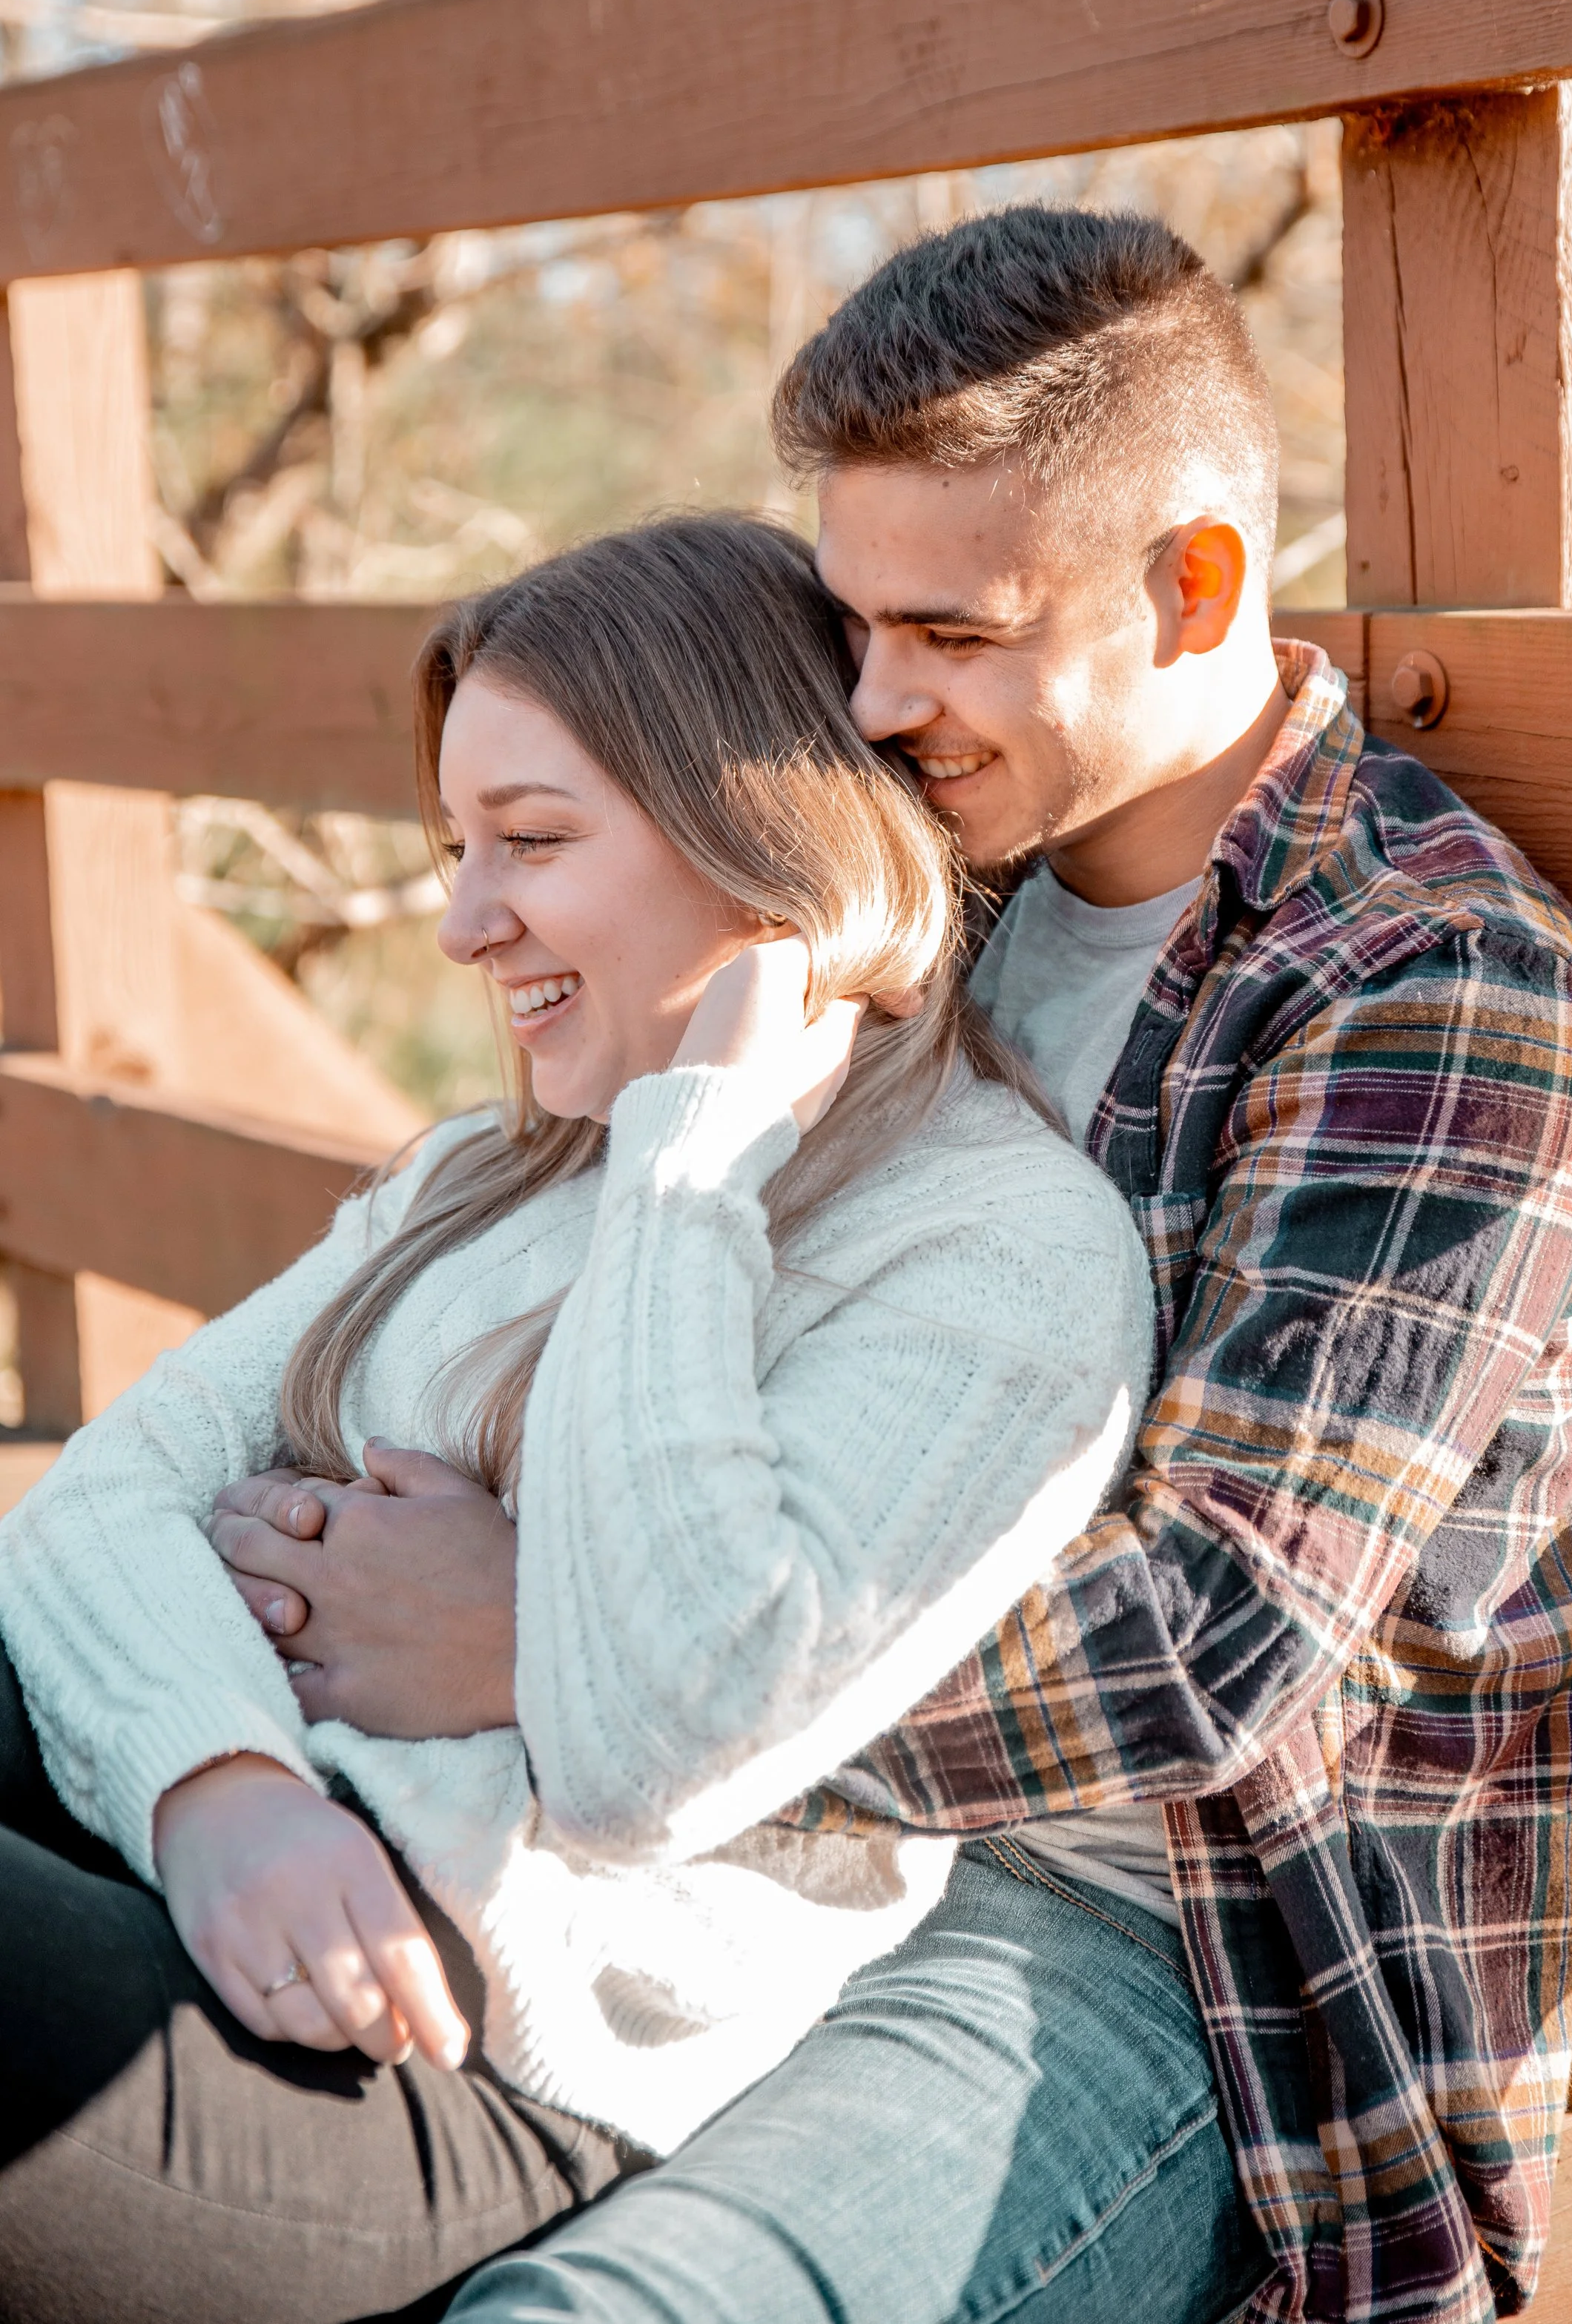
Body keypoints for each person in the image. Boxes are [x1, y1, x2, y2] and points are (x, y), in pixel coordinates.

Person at [194, 207, 1572, 2324]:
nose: (875, 701)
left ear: (1197, 586)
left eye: (949, 631)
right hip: (715, 1834)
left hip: (1160, 1949)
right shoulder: (917, 881)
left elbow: (1205, 1636)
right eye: (854, 623)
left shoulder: (1429, 994)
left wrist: (564, 1639)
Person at [0, 512, 1158, 2324]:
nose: (467, 922)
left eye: (531, 843)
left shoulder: (1001, 1264)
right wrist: (213, 1790)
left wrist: (688, 1176)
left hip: (456, 2062)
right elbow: (102, 1498)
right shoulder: (485, 1169)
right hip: (198, 1854)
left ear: (757, 836)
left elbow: (654, 1742)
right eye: (461, 848)